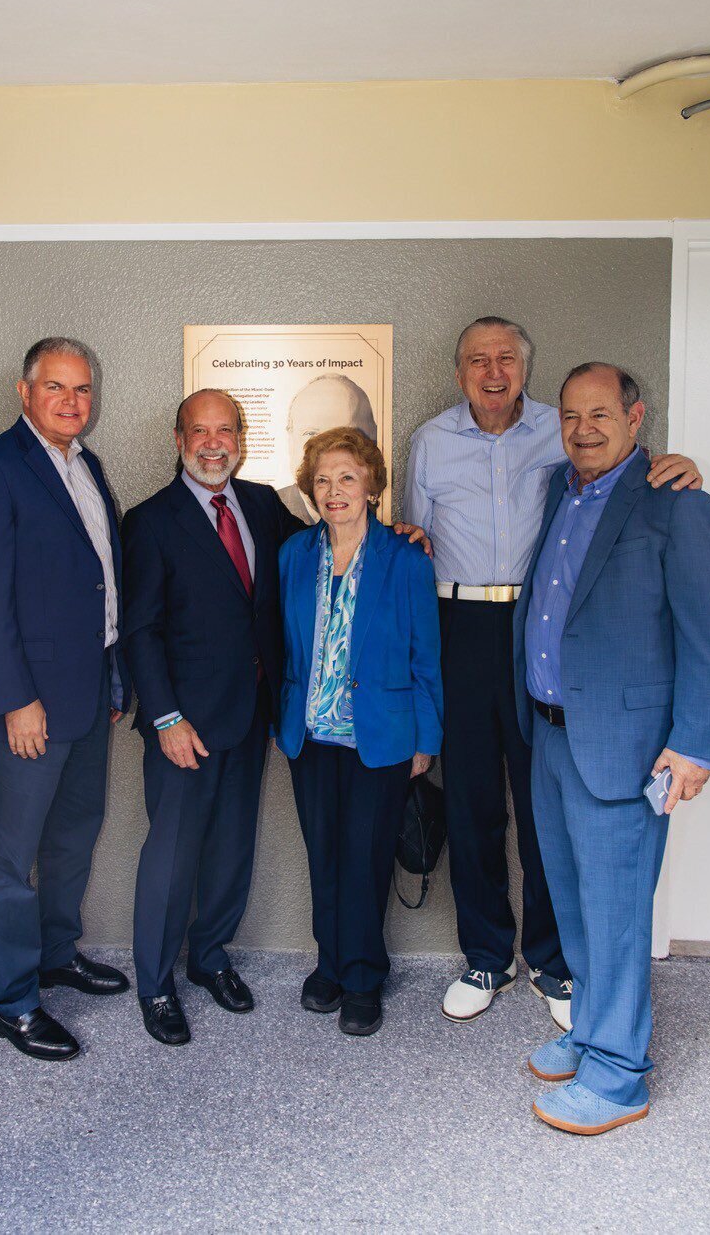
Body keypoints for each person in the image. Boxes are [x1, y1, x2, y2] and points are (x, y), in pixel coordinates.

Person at [403, 317, 703, 1030]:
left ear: (525, 368)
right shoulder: (430, 441)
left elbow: (619, 481)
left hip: (541, 629)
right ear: (460, 372)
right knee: (472, 799)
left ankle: (551, 958)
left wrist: (676, 465)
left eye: (506, 357)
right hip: (459, 625)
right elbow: (414, 540)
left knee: (545, 804)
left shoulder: (562, 430)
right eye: (479, 360)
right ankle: (486, 955)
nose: (494, 371)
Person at [512, 362, 710, 1134]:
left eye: (601, 413)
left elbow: (708, 632)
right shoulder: (559, 489)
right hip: (550, 734)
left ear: (636, 419)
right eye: (571, 415)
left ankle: (618, 1075)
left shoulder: (680, 503)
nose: (584, 429)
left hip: (625, 743)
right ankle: (591, 1032)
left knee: (618, 912)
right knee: (575, 905)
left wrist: (695, 745)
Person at [0, 337, 131, 1062]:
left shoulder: (86, 465)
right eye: (55, 386)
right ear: (24, 392)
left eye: (82, 388)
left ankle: (57, 953)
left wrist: (114, 676)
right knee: (10, 853)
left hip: (89, 690)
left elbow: (98, 578)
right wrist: (14, 699)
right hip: (31, 703)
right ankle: (13, 1000)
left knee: (74, 833)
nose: (71, 401)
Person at [122, 389, 302, 1046]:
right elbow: (140, 630)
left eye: (225, 430)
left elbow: (324, 546)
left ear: (241, 439)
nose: (213, 443)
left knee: (232, 845)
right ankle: (155, 984)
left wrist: (394, 532)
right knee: (172, 855)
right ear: (179, 440)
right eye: (199, 431)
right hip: (185, 724)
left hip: (251, 712)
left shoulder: (261, 504)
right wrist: (166, 718)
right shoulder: (150, 521)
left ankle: (209, 955)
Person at [277, 427, 442, 1036]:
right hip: (310, 736)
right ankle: (330, 964)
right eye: (322, 480)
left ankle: (364, 976)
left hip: (381, 736)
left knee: (365, 861)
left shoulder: (405, 557)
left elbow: (426, 655)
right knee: (323, 856)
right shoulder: (295, 554)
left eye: (347, 477)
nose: (334, 490)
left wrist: (426, 740)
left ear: (371, 484)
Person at [278, 374, 377, 524]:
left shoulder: (391, 527)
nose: (325, 450)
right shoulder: (266, 512)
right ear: (290, 440)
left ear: (372, 440)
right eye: (310, 434)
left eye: (346, 437)